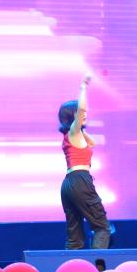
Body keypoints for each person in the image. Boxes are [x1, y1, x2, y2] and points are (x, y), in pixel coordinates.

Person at [58, 74, 111, 250]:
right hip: (80, 180)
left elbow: (92, 143)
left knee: (75, 237)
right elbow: (82, 109)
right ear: (72, 117)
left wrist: (82, 127)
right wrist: (83, 86)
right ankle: (98, 266)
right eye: (79, 113)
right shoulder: (73, 132)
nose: (84, 114)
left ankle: (73, 265)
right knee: (102, 228)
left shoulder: (73, 134)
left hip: (69, 184)